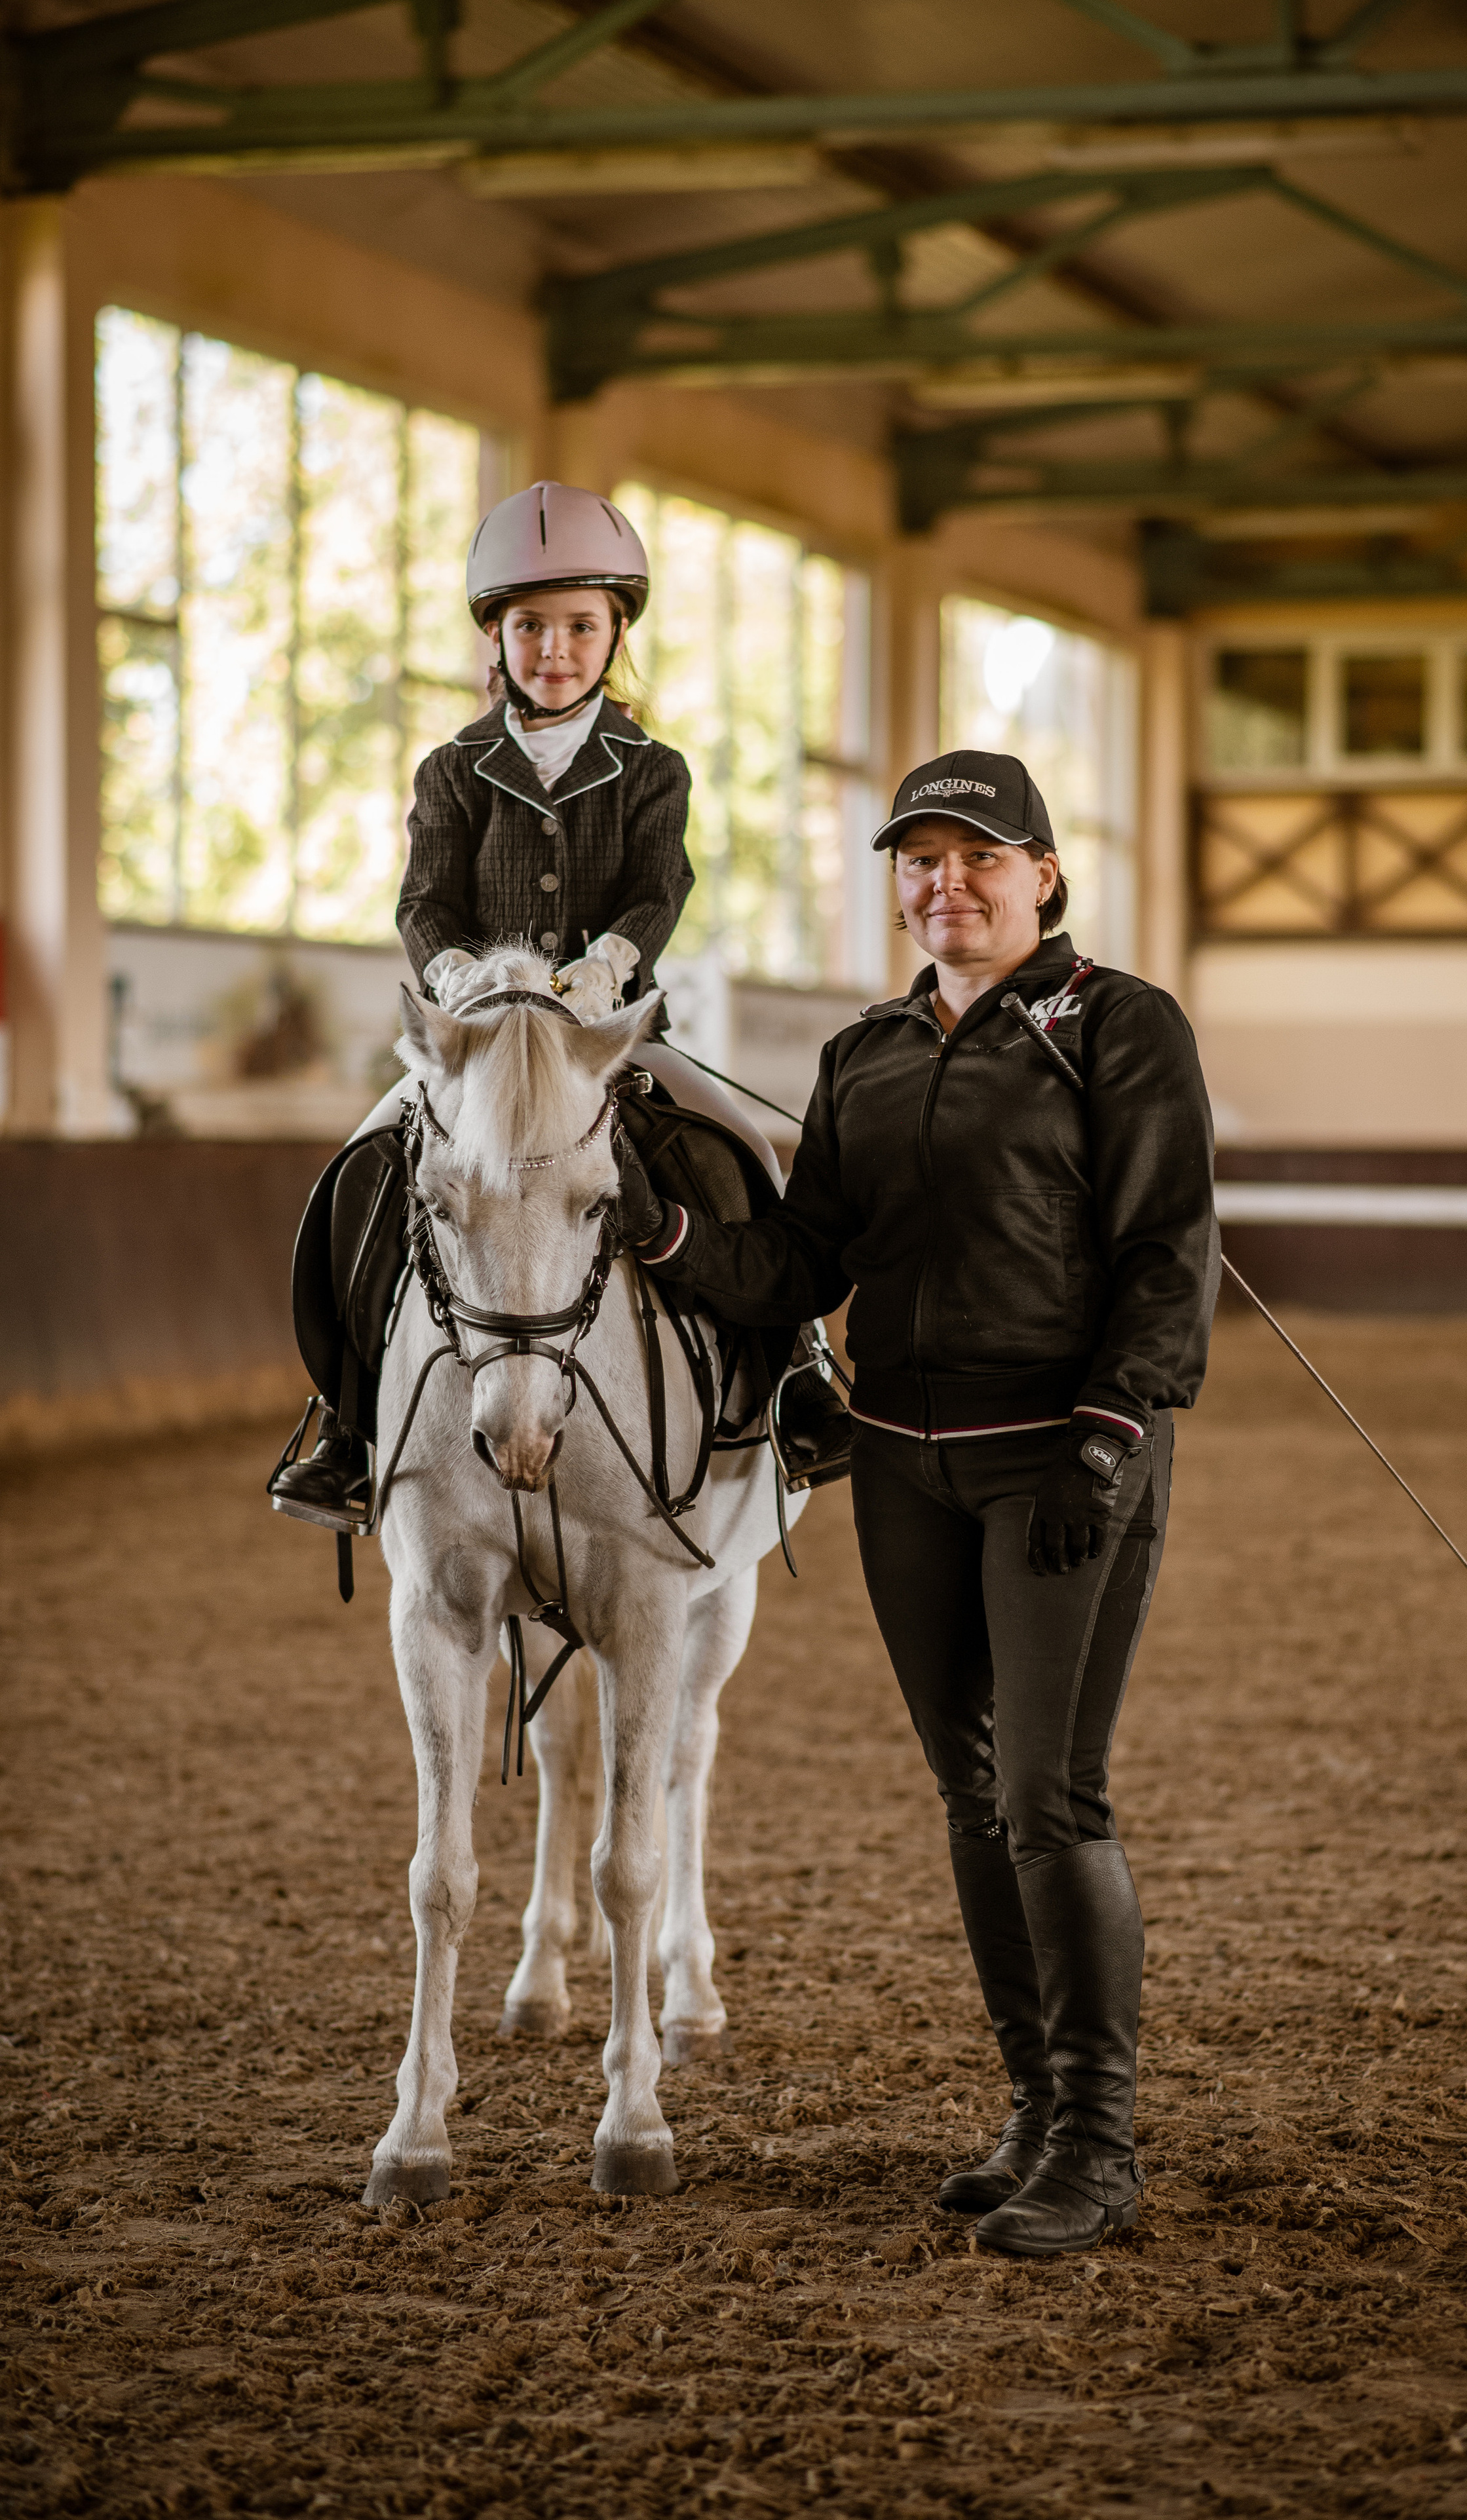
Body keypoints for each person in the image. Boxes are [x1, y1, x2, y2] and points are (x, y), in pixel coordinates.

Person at [614, 749, 1220, 2258]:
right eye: (918, 860)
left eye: (978, 858)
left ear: (1044, 875)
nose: (944, 883)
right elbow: (804, 1260)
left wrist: (1113, 1422)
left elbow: (1165, 1248)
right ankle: (1030, 2102)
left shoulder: (1118, 1027)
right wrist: (669, 1229)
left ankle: (1097, 2139)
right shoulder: (863, 1053)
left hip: (1058, 1465)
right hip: (900, 1464)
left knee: (1046, 1794)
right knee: (967, 1791)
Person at [270, 480, 846, 1526]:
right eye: (531, 625)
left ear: (614, 630)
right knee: (353, 1179)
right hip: (474, 1044)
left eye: (581, 625)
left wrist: (611, 963)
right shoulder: (452, 767)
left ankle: (802, 1373)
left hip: (605, 1039)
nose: (555, 648)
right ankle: (345, 1424)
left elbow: (660, 884)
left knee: (743, 1154)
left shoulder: (652, 768)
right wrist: (452, 974)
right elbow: (425, 897)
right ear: (498, 636)